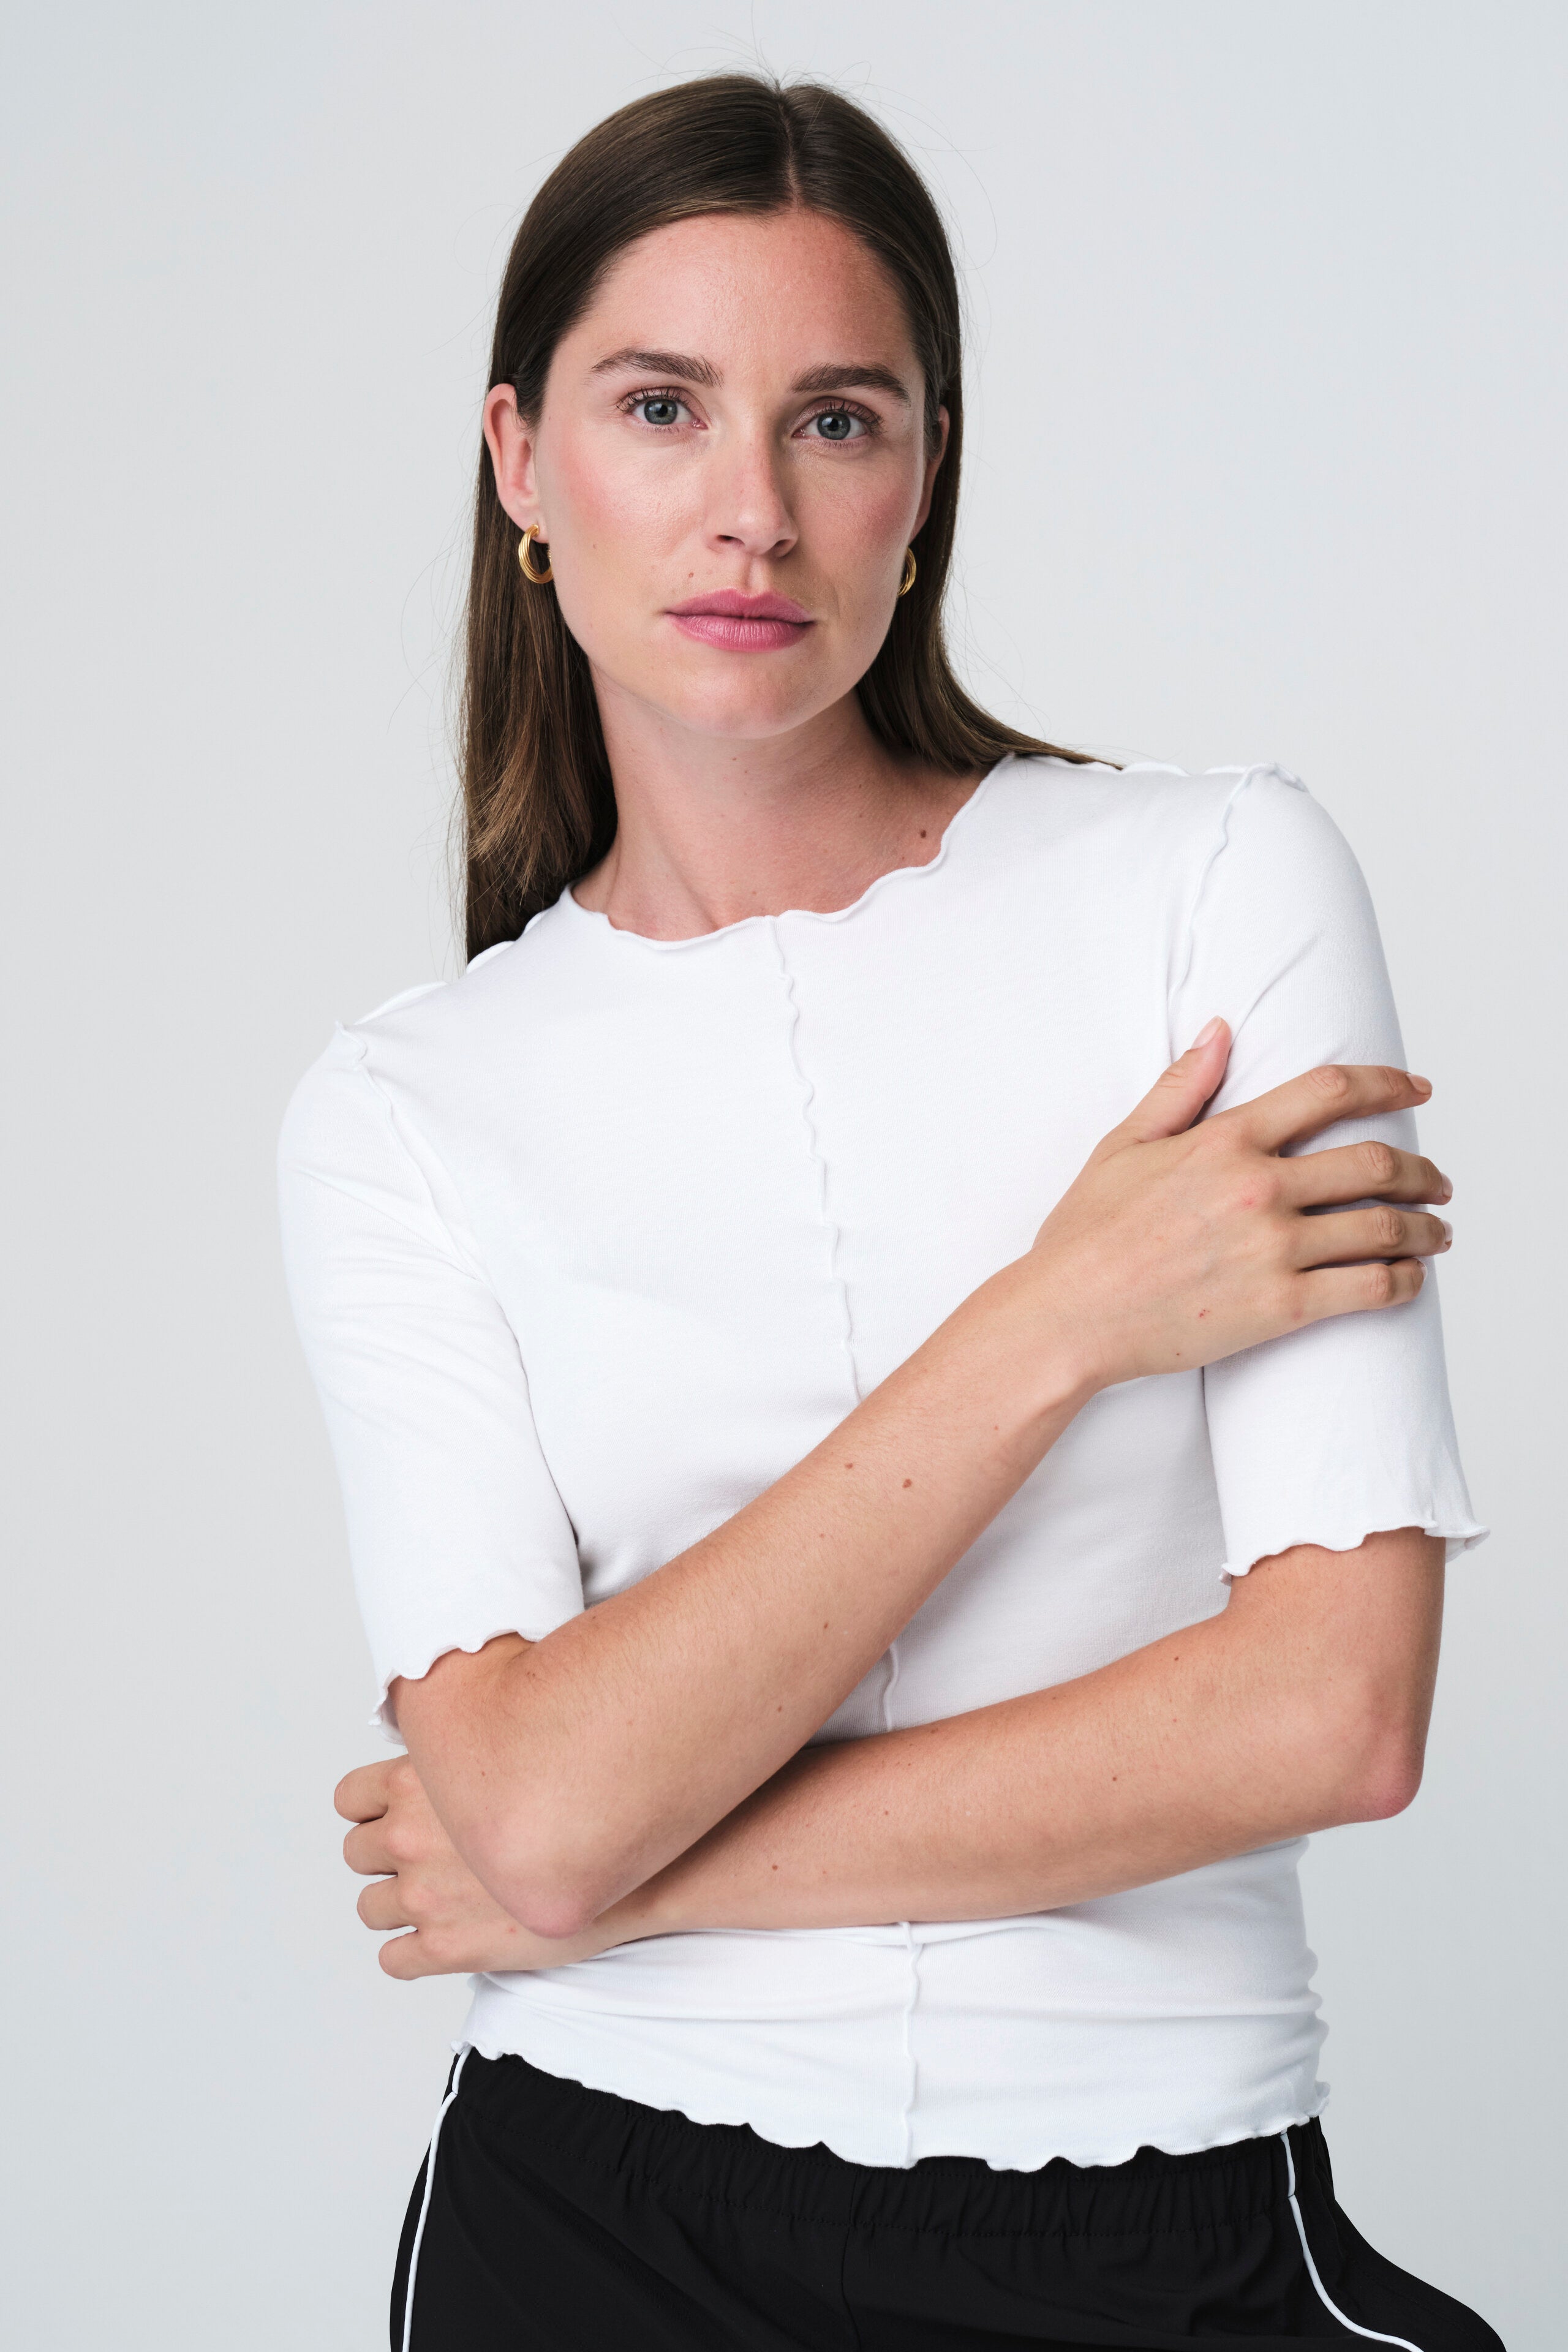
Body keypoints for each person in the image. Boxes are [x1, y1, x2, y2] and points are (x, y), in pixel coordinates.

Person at [279, 73, 1501, 2352]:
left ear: (925, 477)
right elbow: (527, 1813)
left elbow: (1330, 1715)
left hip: (1172, 2213)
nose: (751, 513)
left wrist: (614, 1875)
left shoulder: (1214, 890)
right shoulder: (405, 1109)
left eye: (835, 420)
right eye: (662, 408)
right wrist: (1060, 1315)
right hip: (594, 2234)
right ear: (523, 461)